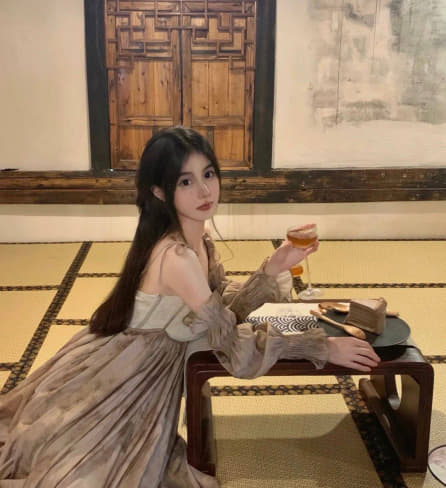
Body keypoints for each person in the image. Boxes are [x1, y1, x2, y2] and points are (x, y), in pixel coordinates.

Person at [0, 127, 380, 487]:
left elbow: (222, 311)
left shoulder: (197, 239)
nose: (204, 190)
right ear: (159, 192)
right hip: (127, 372)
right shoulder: (176, 258)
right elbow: (235, 347)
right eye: (185, 181)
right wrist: (320, 347)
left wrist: (274, 266)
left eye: (208, 174)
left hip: (145, 361)